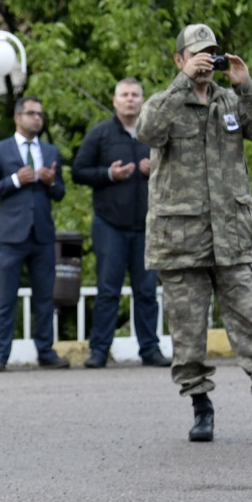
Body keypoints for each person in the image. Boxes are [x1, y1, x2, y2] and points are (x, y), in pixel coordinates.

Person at [138, 22, 252, 443]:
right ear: (179, 60)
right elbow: (146, 130)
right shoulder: (167, 102)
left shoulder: (232, 102)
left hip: (231, 236)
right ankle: (201, 408)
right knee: (188, 332)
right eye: (195, 54)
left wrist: (247, 83)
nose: (204, 62)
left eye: (210, 53)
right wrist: (182, 84)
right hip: (181, 240)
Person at [71, 78, 171, 369]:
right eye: (124, 95)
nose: (129, 99)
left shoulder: (154, 133)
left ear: (143, 100)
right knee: (107, 290)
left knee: (146, 291)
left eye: (135, 95)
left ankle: (149, 349)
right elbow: (78, 171)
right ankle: (100, 350)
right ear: (115, 101)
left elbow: (178, 168)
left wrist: (159, 169)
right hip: (109, 225)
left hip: (147, 224)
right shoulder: (100, 134)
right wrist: (108, 174)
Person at [0, 97, 71, 372]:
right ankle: (0, 356)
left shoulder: (50, 150)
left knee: (45, 299)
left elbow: (60, 193)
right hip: (11, 237)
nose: (37, 118)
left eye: (40, 114)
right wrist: (16, 179)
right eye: (31, 113)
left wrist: (51, 181)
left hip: (42, 235)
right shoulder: (0, 149)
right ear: (17, 118)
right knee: (6, 298)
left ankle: (46, 352)